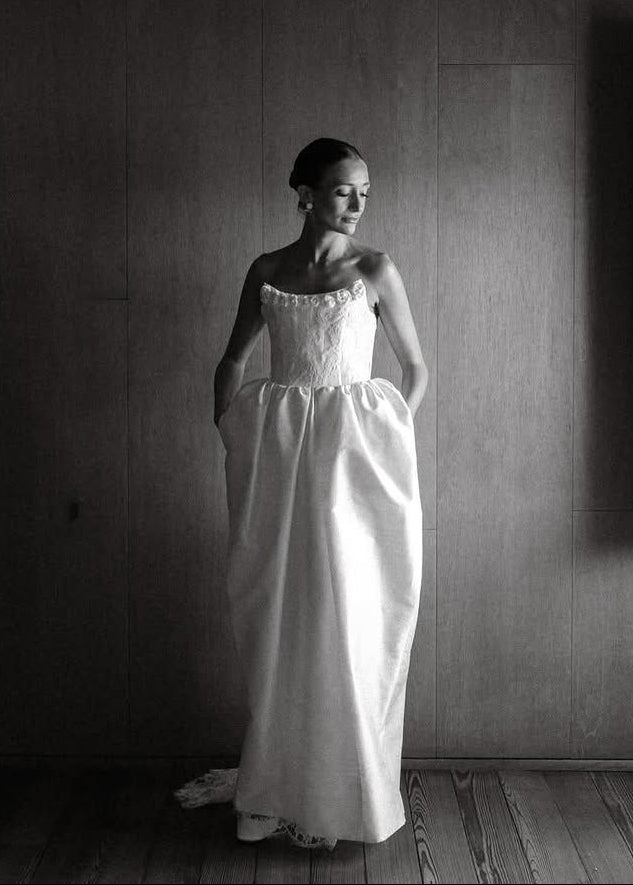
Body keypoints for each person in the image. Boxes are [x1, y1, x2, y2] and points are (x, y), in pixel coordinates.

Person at [174, 138, 428, 851]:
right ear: (306, 194)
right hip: (281, 460)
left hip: (353, 466)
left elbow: (415, 369)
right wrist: (231, 428)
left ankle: (342, 792)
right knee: (281, 609)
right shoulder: (268, 270)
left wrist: (384, 441)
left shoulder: (373, 269)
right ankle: (274, 785)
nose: (357, 204)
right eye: (344, 190)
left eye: (364, 192)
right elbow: (233, 358)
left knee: (350, 611)